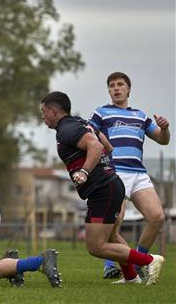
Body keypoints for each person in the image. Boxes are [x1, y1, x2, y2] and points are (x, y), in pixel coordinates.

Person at [40, 91, 164, 285]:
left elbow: (97, 148)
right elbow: (108, 146)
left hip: (103, 189)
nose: (42, 115)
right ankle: (131, 277)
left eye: (44, 111)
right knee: (112, 236)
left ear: (54, 111)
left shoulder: (67, 129)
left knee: (96, 247)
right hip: (109, 185)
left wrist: (85, 172)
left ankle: (149, 261)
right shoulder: (80, 122)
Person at [89, 72, 170, 280]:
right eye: (112, 85)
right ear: (109, 90)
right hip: (116, 172)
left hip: (139, 173)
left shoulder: (141, 116)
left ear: (128, 89)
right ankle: (110, 265)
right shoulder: (101, 113)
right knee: (115, 221)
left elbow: (163, 140)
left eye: (120, 85)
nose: (116, 88)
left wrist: (165, 128)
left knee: (157, 217)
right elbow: (88, 134)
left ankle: (139, 261)